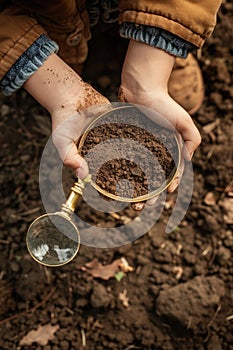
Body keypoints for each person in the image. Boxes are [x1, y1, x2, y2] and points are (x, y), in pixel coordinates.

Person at [0, 0, 222, 205]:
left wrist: (148, 78)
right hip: (29, 16)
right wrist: (61, 93)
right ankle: (48, 58)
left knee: (163, 22)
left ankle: (155, 41)